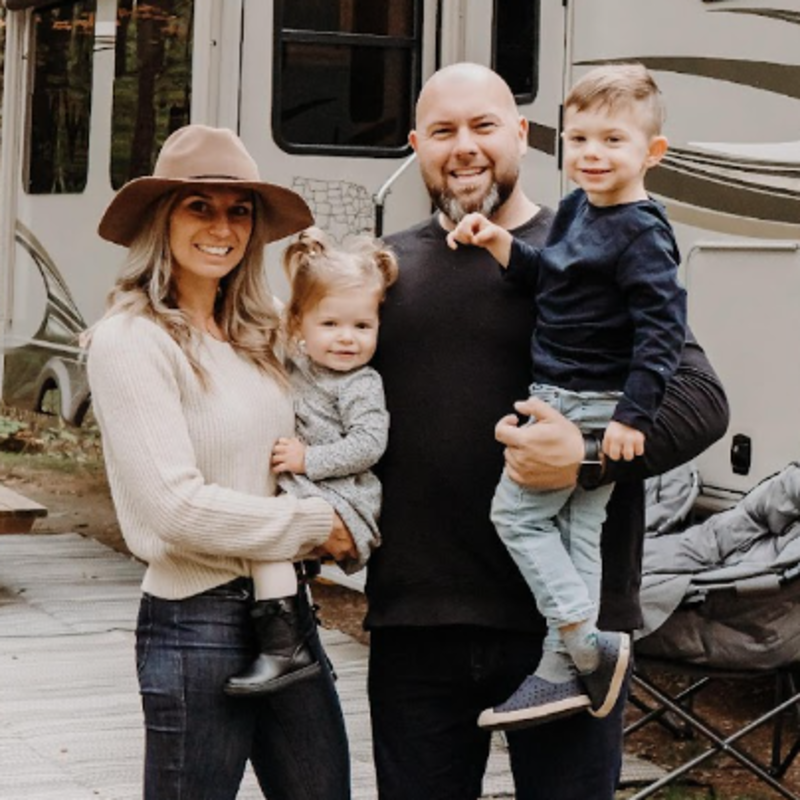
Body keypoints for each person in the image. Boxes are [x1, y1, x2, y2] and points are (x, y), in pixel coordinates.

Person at [366, 62, 728, 800]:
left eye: (483, 126)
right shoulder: (385, 271)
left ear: (522, 135)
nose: (464, 147)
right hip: (419, 620)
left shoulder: (597, 244)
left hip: (567, 640)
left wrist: (588, 457)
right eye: (443, 131)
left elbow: (700, 400)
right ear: (416, 146)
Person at [85, 124, 354, 799]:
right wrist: (316, 526)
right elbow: (174, 508)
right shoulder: (131, 340)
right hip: (194, 623)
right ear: (160, 219)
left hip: (286, 613)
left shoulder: (258, 340)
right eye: (198, 206)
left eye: (239, 210)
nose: (222, 226)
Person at [444, 64, 686, 730]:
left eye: (612, 140)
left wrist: (634, 415)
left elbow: (663, 330)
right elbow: (551, 279)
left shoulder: (642, 231)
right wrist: (502, 244)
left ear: (651, 153)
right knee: (579, 530)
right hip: (565, 391)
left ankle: (584, 641)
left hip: (592, 401)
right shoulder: (579, 207)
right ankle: (569, 671)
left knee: (518, 518)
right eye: (579, 140)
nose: (592, 155)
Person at [225, 226, 398, 695]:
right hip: (311, 487)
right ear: (299, 326)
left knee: (272, 537)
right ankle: (287, 629)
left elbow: (369, 445)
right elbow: (268, 313)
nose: (347, 339)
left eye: (362, 327)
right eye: (331, 325)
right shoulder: (295, 361)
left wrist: (308, 459)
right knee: (269, 539)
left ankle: (286, 647)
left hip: (343, 495)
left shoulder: (361, 384)